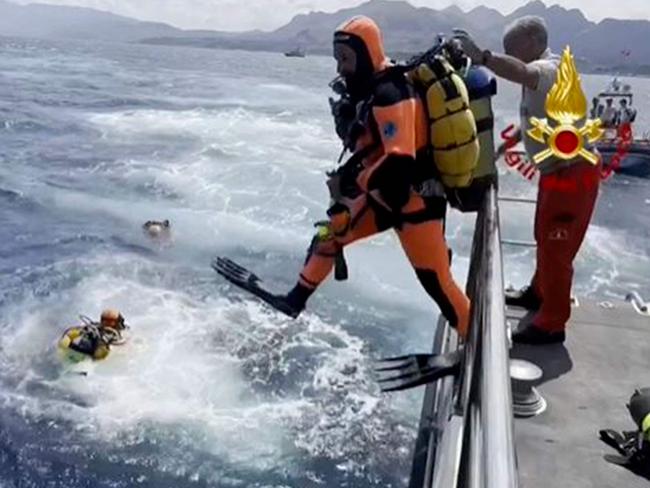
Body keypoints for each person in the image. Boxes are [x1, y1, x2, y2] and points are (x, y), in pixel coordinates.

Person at [215, 16, 471, 338]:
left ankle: (474, 340)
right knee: (329, 234)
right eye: (338, 59)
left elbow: (400, 160)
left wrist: (357, 183)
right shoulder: (372, 89)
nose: (340, 68)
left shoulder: (392, 93)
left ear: (367, 53)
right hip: (388, 197)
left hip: (416, 201)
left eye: (346, 60)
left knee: (437, 283)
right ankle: (295, 300)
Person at [455, 16, 600, 344]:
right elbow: (536, 119)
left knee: (557, 247)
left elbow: (522, 72)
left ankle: (552, 324)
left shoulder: (549, 70)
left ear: (534, 42)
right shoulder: (544, 78)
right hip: (557, 173)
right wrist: (504, 146)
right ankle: (538, 294)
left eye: (512, 49)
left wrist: (484, 58)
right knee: (545, 238)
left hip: (573, 174)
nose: (510, 54)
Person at [58, 309, 128, 361]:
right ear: (115, 322)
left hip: (74, 351)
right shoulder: (111, 336)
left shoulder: (92, 327)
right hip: (87, 355)